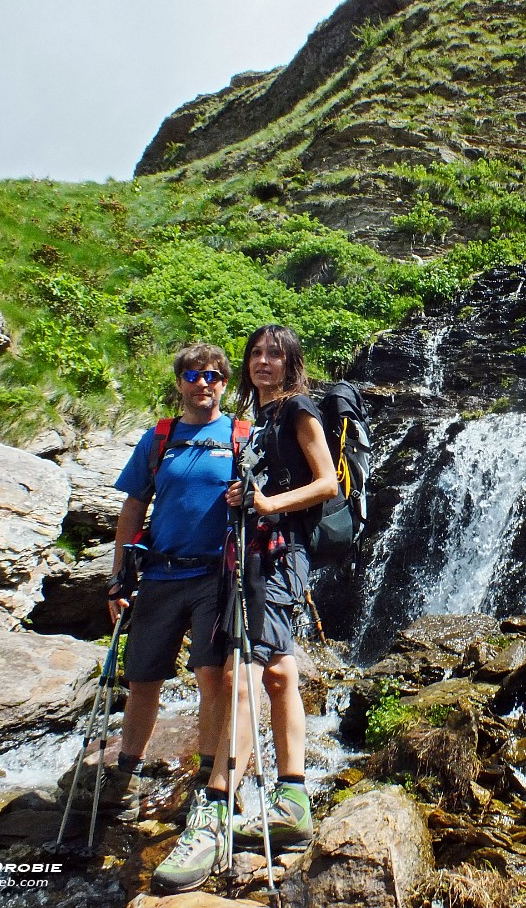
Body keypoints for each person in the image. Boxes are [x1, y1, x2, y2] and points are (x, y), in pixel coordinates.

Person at [154, 324, 337, 894]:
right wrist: (243, 497)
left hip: (279, 557)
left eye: (274, 354)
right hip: (249, 554)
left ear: (290, 363)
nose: (264, 361)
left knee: (244, 670)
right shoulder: (252, 423)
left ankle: (212, 812)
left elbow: (327, 482)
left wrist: (267, 503)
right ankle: (294, 799)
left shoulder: (298, 409)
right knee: (281, 673)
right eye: (256, 353)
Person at [64, 343, 238, 820]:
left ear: (225, 383)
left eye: (213, 375)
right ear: (179, 382)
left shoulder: (241, 438)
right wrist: (118, 579)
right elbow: (133, 509)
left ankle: (208, 776)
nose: (204, 383)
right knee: (143, 678)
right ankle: (128, 771)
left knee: (211, 677)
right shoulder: (157, 440)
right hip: (159, 573)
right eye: (193, 374)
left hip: (214, 578)